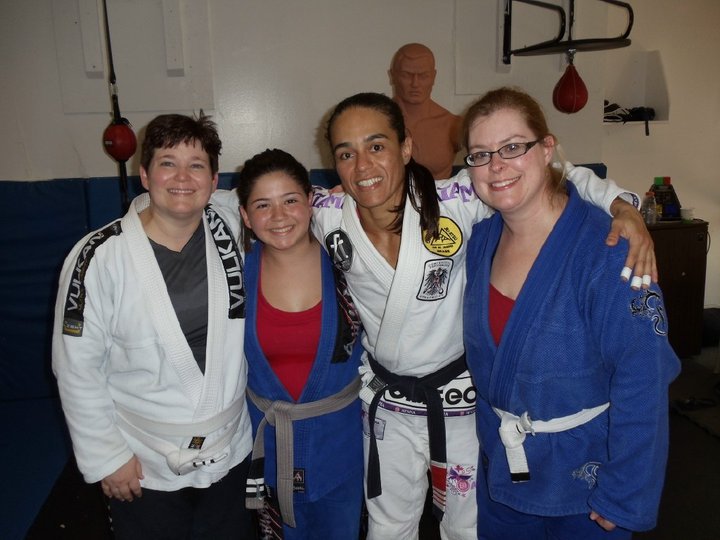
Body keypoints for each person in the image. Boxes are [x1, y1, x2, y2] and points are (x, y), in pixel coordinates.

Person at [310, 91, 654, 540]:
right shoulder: (326, 215)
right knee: (387, 526)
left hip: (459, 400)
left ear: (406, 146)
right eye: (346, 154)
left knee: (466, 527)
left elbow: (552, 172)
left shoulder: (456, 200)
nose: (363, 166)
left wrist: (621, 204)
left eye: (376, 146)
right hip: (387, 404)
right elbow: (263, 203)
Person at [461, 87, 680, 539]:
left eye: (512, 147)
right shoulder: (480, 241)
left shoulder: (610, 251)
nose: (496, 165)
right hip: (504, 471)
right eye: (481, 154)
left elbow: (645, 376)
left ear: (547, 149)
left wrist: (625, 492)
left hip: (588, 482)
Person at [52, 113, 255, 539]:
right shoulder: (97, 257)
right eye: (167, 163)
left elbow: (282, 200)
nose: (182, 177)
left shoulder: (233, 225)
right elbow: (76, 368)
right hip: (144, 459)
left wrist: (335, 197)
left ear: (213, 181)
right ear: (144, 175)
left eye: (196, 165)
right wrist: (107, 457)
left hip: (230, 446)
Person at [237, 149, 365, 539]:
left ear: (311, 201)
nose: (279, 216)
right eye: (262, 205)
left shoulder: (350, 265)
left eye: (290, 200)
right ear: (245, 216)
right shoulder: (235, 277)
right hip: (269, 446)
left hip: (340, 445)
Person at [389, 43, 462, 180]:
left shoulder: (452, 125)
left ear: (433, 77)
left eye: (423, 76)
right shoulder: (376, 121)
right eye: (406, 75)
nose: (415, 83)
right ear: (393, 76)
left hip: (437, 193)